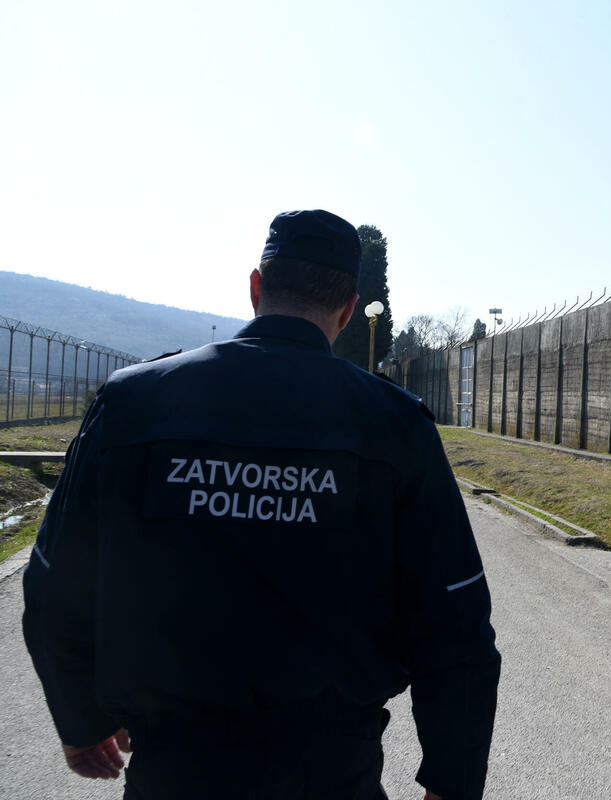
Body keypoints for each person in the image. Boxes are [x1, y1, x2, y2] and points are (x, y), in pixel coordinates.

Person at [23, 209, 501, 799]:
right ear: (349, 309)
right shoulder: (394, 425)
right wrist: (452, 779)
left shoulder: (133, 402)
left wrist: (79, 719)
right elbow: (456, 622)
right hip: (333, 773)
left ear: (256, 288)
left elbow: (53, 579)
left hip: (174, 770)